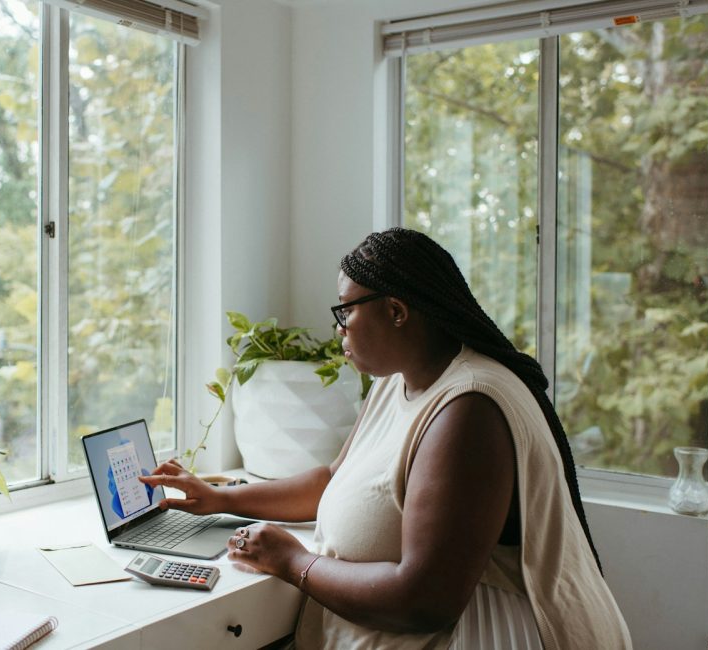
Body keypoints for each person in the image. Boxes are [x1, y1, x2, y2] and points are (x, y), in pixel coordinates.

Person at [140, 227, 632, 649]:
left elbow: (423, 601)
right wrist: (222, 498)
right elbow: (333, 479)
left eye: (345, 312)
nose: (339, 331)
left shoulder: (468, 409)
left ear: (396, 310)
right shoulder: (397, 380)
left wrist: (293, 561)